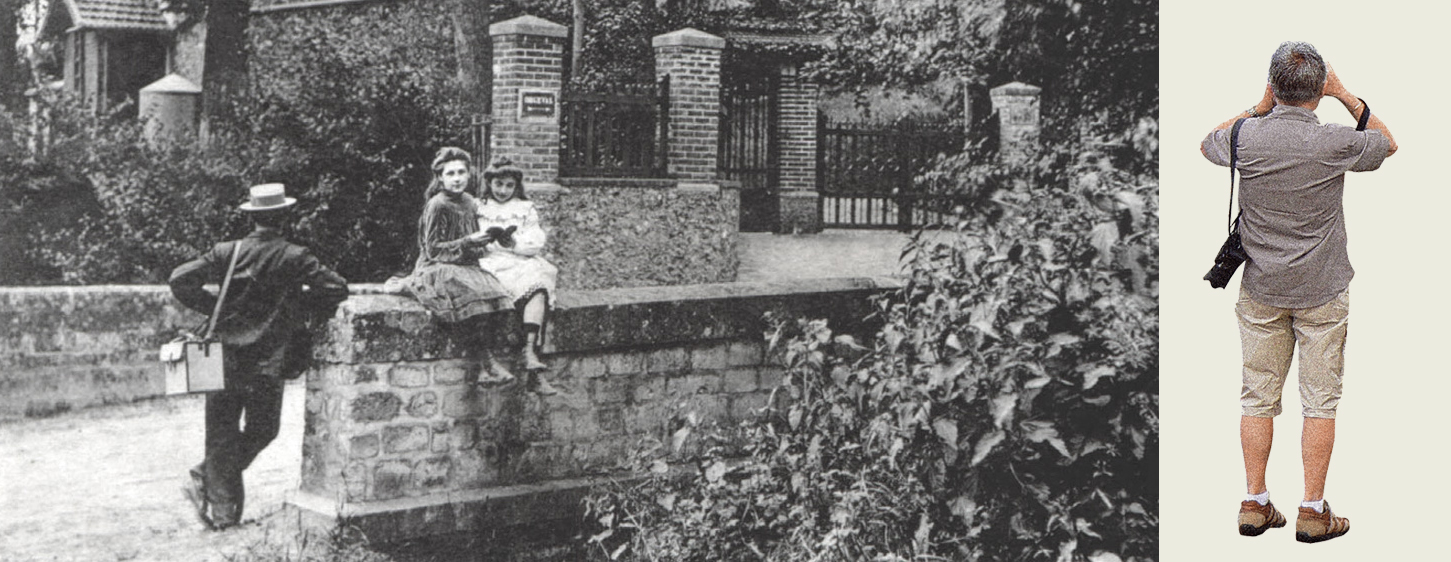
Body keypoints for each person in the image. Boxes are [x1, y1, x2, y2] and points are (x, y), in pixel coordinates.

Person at [1200, 41, 1396, 544]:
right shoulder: (1335, 141)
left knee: (1256, 396)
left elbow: (1207, 142)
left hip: (1261, 288)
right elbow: (1387, 143)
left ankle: (1254, 503)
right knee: (1320, 402)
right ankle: (1312, 511)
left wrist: (1257, 107)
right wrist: (1344, 94)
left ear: (1273, 85)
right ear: (1318, 90)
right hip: (1322, 290)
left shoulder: (1246, 138)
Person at [169, 183, 348, 530]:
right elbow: (336, 288)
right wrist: (295, 307)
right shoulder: (295, 256)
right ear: (284, 217)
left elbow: (179, 280)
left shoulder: (227, 251)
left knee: (220, 432)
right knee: (263, 430)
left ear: (253, 217)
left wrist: (217, 309)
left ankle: (220, 507)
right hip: (269, 358)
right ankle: (212, 492)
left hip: (223, 357)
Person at [392, 147, 555, 395]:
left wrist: (484, 241)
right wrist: (469, 241)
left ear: (469, 175)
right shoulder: (437, 205)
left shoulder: (470, 202)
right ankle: (486, 362)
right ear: (440, 178)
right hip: (438, 265)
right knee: (470, 293)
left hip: (464, 262)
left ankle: (512, 359)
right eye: (450, 174)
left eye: (461, 173)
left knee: (495, 292)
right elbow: (432, 249)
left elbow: (473, 246)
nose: (457, 178)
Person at [477, 157, 560, 394]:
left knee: (537, 284)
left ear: (516, 186)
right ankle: (488, 364)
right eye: (498, 184)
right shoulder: (478, 207)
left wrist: (513, 243)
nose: (503, 190)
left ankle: (529, 351)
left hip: (519, 260)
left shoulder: (525, 209)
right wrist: (483, 240)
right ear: (489, 183)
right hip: (489, 262)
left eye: (509, 185)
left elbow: (536, 241)